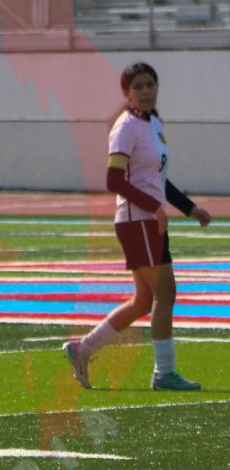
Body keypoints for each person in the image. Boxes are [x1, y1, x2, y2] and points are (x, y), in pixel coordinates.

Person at [63, 62, 212, 391]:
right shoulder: (126, 126)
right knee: (166, 292)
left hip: (149, 220)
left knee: (144, 301)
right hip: (137, 221)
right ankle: (164, 372)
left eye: (150, 85)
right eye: (138, 86)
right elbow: (113, 180)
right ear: (126, 93)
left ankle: (82, 349)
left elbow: (157, 178)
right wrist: (152, 206)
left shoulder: (153, 122)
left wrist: (190, 208)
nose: (146, 91)